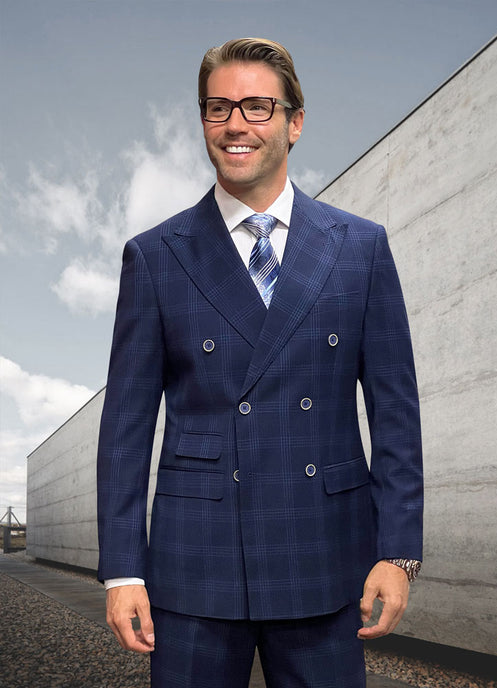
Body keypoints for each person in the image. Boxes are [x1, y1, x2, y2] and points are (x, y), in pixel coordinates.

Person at [97, 37, 423, 688]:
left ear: (294, 122)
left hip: (325, 558)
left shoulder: (360, 248)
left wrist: (397, 551)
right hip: (195, 565)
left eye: (256, 106)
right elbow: (125, 427)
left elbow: (394, 413)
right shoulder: (156, 257)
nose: (235, 125)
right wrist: (124, 568)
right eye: (217, 108)